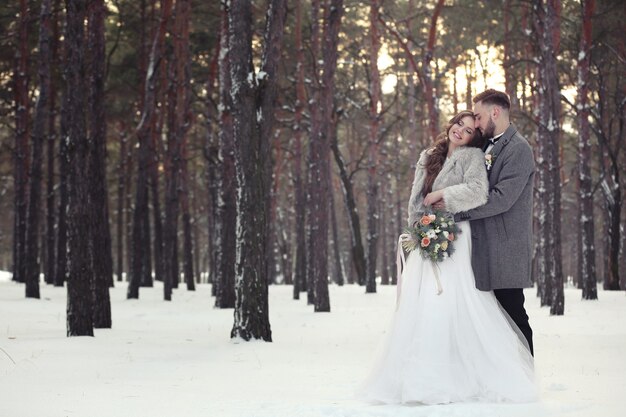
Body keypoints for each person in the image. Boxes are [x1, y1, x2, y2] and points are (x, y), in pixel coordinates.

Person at [357, 110, 536, 405]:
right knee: (422, 304)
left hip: (457, 234)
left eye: (468, 130)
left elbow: (479, 192)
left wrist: (443, 196)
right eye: (459, 125)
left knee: (451, 302)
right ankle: (417, 375)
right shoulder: (429, 155)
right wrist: (419, 226)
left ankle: (463, 375)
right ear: (450, 125)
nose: (460, 132)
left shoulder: (472, 158)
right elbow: (417, 197)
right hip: (428, 234)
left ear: (471, 139)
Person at [440, 89, 536, 356]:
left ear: (495, 112)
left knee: (513, 313)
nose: (477, 123)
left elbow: (501, 198)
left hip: (505, 248)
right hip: (479, 246)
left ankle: (525, 376)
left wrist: (456, 210)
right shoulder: (484, 145)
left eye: (480, 116)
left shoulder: (519, 149)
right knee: (486, 319)